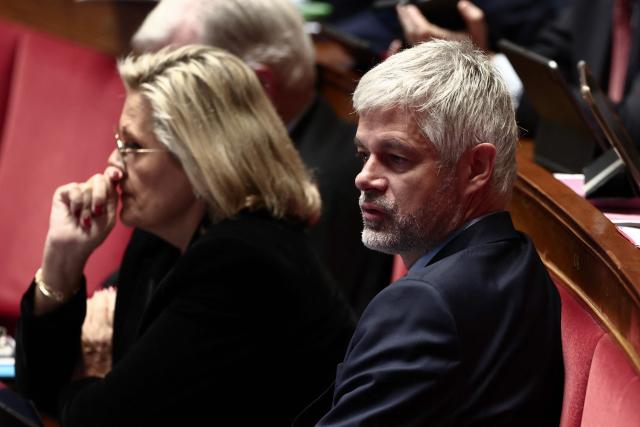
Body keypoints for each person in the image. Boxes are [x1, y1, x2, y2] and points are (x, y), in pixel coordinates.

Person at [14, 45, 355, 426]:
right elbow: (36, 389)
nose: (113, 166)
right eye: (117, 143)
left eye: (132, 147)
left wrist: (92, 369)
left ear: (200, 158)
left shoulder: (242, 262)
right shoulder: (158, 241)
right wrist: (63, 259)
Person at [303, 39, 564, 426]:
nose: (364, 178)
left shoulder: (424, 306)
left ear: (476, 168)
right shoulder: (515, 255)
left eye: (396, 158)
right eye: (363, 155)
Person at [129, 0, 393, 316]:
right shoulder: (205, 155)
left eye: (182, 84)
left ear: (257, 85)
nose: (157, 108)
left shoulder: (336, 186)